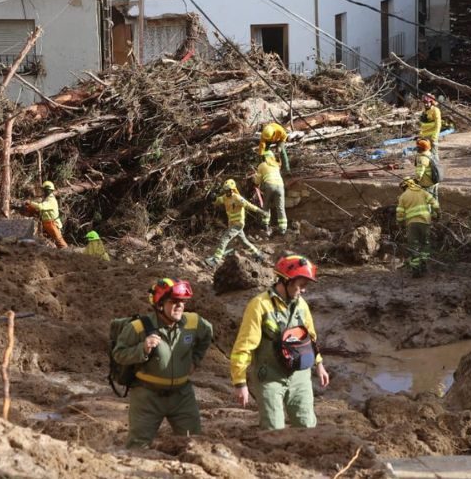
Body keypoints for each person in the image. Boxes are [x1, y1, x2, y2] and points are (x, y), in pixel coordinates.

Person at [229, 255, 330, 430]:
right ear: (285, 280)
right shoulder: (259, 305)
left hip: (300, 377)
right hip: (270, 378)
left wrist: (319, 364)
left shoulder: (301, 306)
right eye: (301, 285)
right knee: (273, 430)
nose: (304, 290)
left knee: (307, 428)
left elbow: (311, 338)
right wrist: (240, 382)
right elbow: (244, 346)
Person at [112, 278, 213, 447]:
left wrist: (195, 360)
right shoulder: (138, 328)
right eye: (174, 302)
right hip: (147, 397)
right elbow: (119, 354)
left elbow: (207, 335)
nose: (180, 306)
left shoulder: (194, 322)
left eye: (183, 302)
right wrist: (142, 348)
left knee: (193, 443)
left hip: (182, 397)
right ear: (159, 304)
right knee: (137, 447)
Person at [207, 179, 266, 268]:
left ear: (233, 189)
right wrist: (213, 198)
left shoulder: (237, 198)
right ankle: (258, 254)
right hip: (232, 224)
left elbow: (248, 205)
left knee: (224, 239)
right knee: (244, 242)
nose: (227, 192)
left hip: (238, 224)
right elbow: (218, 201)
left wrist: (260, 211)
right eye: (226, 190)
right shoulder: (225, 197)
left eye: (229, 190)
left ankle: (216, 260)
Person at [396, 176, 440, 277]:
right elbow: (435, 203)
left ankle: (416, 270)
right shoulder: (423, 192)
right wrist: (438, 214)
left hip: (412, 225)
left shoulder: (403, 196)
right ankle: (424, 264)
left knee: (414, 246)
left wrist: (400, 224)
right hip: (425, 222)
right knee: (425, 244)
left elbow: (399, 214)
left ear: (405, 186)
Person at [254, 150, 287, 237]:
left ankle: (265, 224)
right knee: (280, 207)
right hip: (280, 186)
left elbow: (257, 181)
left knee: (266, 205)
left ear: (264, 157)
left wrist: (255, 180)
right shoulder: (276, 165)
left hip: (269, 185)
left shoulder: (262, 165)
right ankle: (283, 228)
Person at [25, 181, 67, 248]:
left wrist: (30, 203)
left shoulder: (51, 200)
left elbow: (41, 207)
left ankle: (68, 255)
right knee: (53, 241)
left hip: (52, 223)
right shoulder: (47, 199)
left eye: (44, 190)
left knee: (60, 242)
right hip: (47, 223)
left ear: (47, 190)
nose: (43, 192)